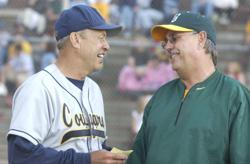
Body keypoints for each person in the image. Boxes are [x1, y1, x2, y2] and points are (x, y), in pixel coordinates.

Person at [7, 4, 128, 164]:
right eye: (101, 37)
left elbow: (92, 147)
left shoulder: (94, 90)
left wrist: (112, 156)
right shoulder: (38, 88)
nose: (107, 45)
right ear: (76, 39)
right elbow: (20, 156)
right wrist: (85, 160)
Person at [127, 11, 250, 164]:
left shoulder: (236, 96)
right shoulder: (160, 96)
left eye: (174, 38)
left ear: (201, 39)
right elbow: (138, 158)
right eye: (166, 41)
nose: (168, 47)